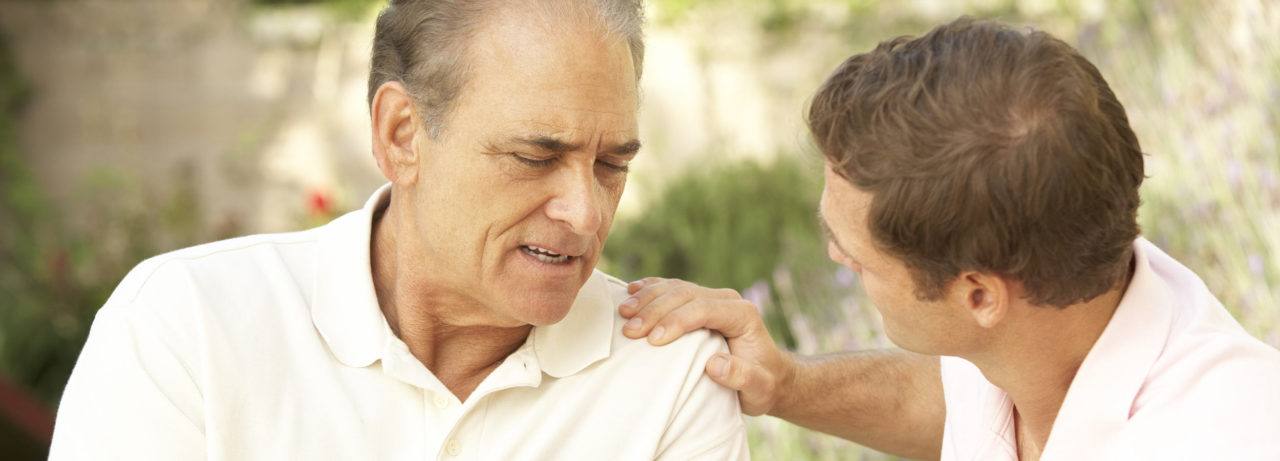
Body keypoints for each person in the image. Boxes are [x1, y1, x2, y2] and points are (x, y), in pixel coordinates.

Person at [48, 1, 749, 459]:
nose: (587, 212)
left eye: (612, 165)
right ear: (401, 134)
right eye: (536, 157)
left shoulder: (672, 375)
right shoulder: (185, 328)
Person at [619, 16, 1280, 461]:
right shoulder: (1040, 331)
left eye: (859, 257)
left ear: (980, 295)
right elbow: (944, 399)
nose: (836, 257)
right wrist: (786, 384)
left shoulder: (1223, 436)